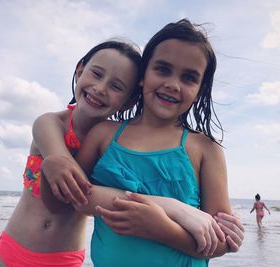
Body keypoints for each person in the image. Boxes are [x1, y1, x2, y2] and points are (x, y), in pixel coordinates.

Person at [72, 18, 241, 266]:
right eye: (162, 69)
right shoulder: (104, 134)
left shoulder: (205, 149)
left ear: (200, 89)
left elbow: (220, 243)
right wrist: (167, 208)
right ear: (142, 75)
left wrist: (161, 228)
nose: (172, 84)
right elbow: (71, 196)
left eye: (189, 78)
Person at [0, 40, 144, 267]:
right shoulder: (49, 123)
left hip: (62, 259)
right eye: (97, 74)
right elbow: (63, 169)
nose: (100, 88)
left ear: (128, 102)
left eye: (116, 86)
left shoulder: (115, 145)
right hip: (13, 248)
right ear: (80, 71)